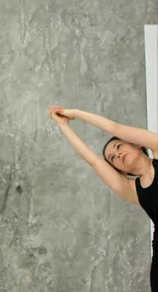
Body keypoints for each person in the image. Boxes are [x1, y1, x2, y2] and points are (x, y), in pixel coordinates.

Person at [49, 105, 158, 290]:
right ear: (118, 170)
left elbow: (116, 128)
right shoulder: (132, 189)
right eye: (113, 158)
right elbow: (94, 161)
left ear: (136, 144)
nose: (117, 154)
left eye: (119, 147)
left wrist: (76, 114)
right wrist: (64, 126)